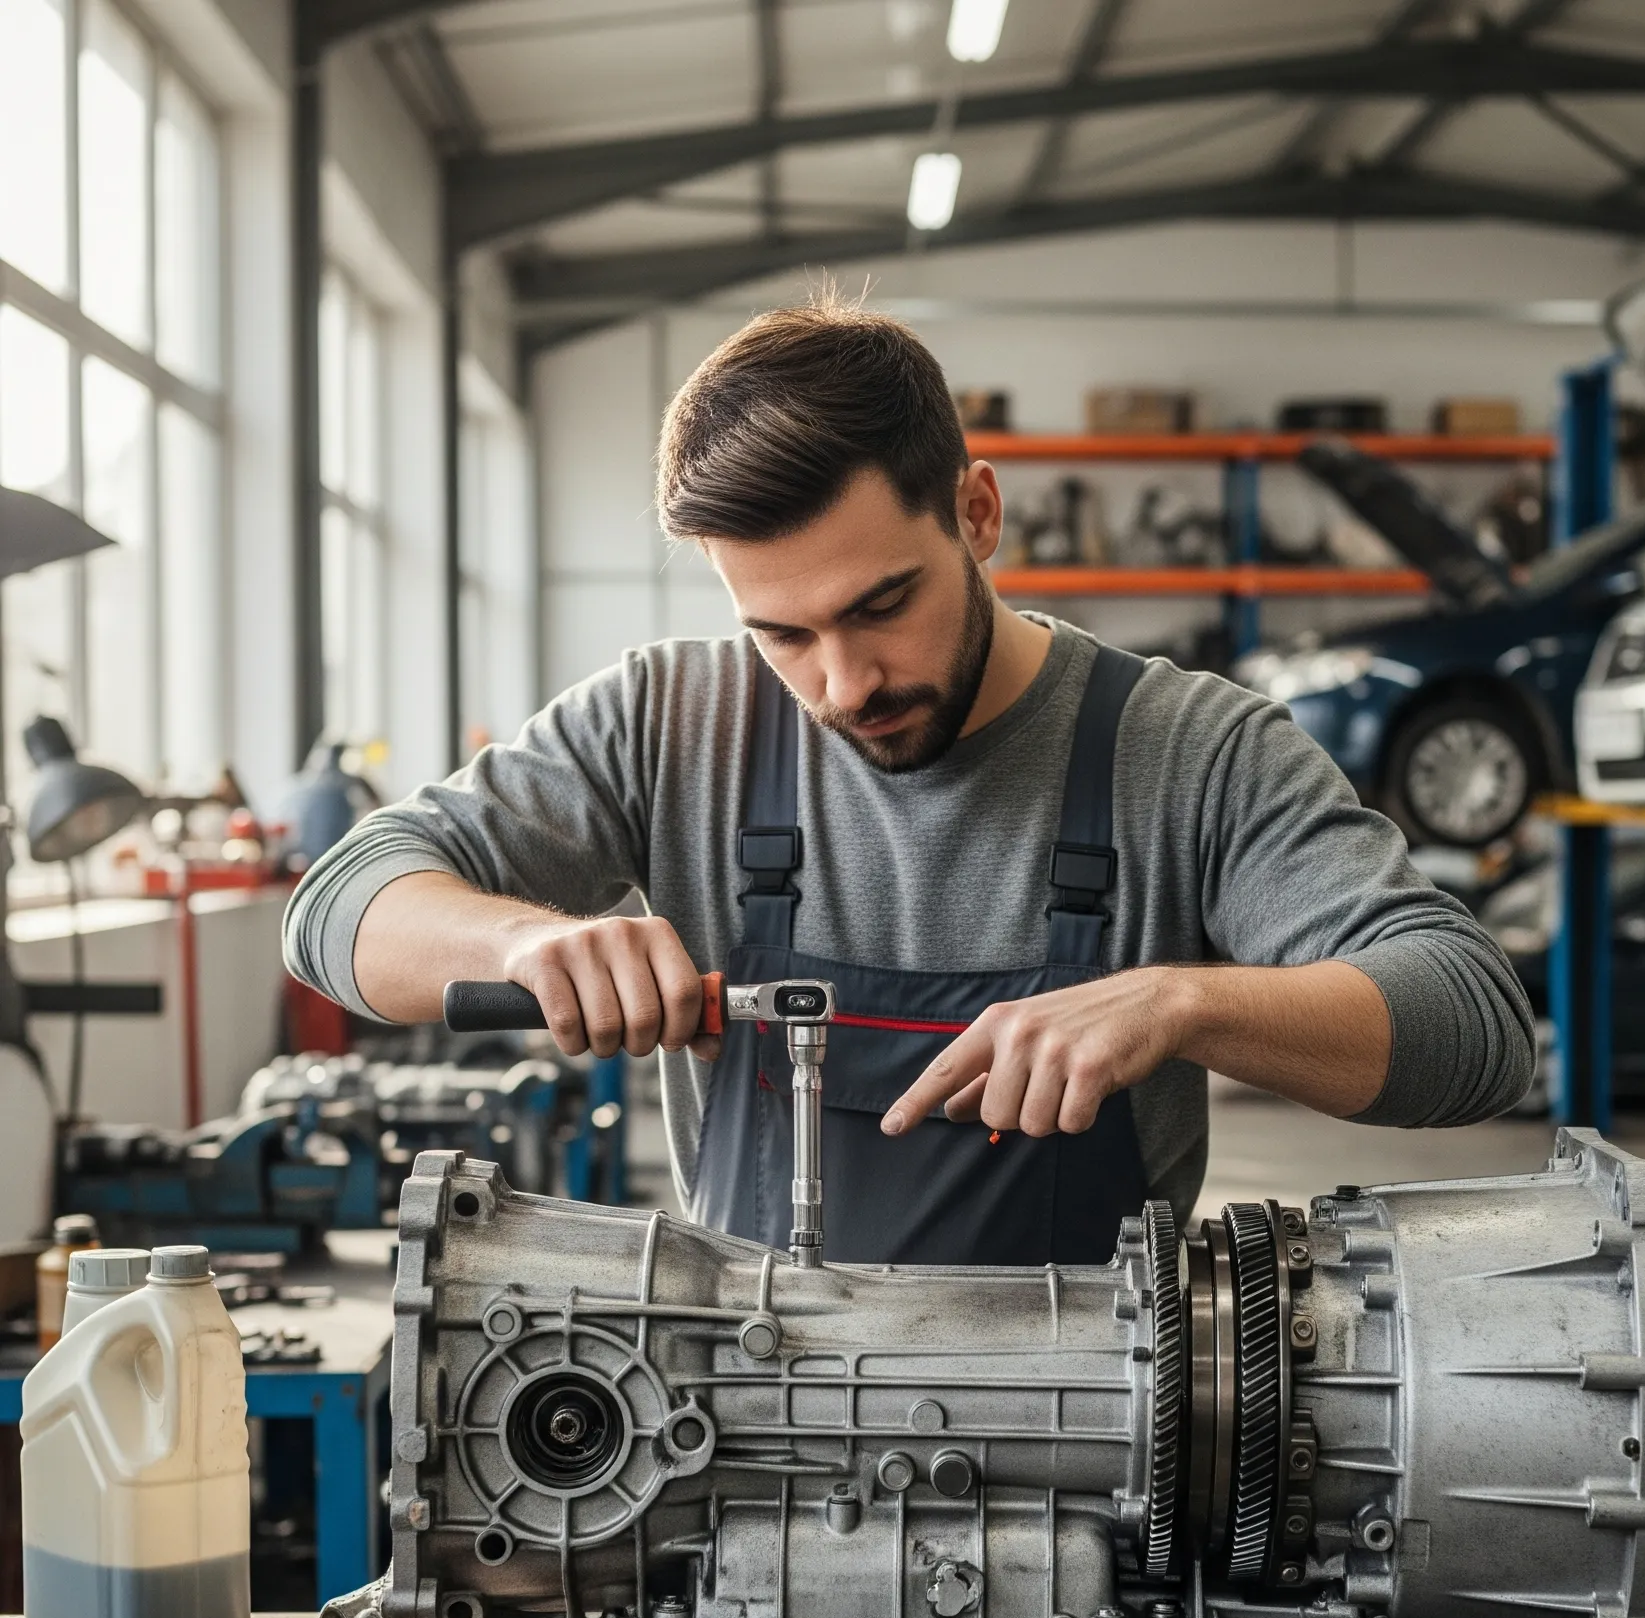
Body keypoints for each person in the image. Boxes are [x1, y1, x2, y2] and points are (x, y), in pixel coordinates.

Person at [284, 295, 1535, 1265]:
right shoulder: (672, 719)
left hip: (1101, 1458)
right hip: (746, 1448)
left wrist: (1183, 1003)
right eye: (781, 632)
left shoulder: (1188, 751)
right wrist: (518, 947)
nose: (840, 683)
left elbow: (1470, 1028)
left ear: (977, 512)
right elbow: (335, 907)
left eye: (882, 603)